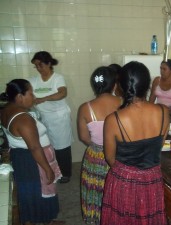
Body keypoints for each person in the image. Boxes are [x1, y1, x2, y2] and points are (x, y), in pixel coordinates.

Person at [101, 61, 170, 225]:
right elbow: (158, 147)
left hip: (124, 181)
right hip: (152, 178)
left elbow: (110, 158)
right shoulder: (163, 111)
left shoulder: (114, 119)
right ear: (147, 85)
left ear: (121, 87)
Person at [0, 79, 64, 225]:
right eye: (30, 93)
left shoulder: (6, 110)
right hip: (32, 160)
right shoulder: (23, 119)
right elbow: (35, 147)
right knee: (39, 191)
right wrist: (48, 169)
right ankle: (42, 220)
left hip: (21, 156)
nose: (34, 97)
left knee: (30, 192)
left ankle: (41, 220)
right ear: (19, 97)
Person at [77, 66, 122, 224]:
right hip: (120, 156)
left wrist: (98, 145)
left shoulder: (85, 108)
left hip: (95, 157)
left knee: (95, 192)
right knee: (118, 193)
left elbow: (83, 137)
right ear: (114, 85)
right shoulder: (124, 103)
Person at [29, 51, 73, 183]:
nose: (38, 68)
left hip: (59, 118)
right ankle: (52, 171)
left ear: (49, 63)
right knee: (47, 146)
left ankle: (66, 173)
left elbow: (62, 93)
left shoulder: (57, 78)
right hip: (42, 118)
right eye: (36, 65)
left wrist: (43, 98)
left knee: (62, 147)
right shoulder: (33, 80)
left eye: (40, 64)